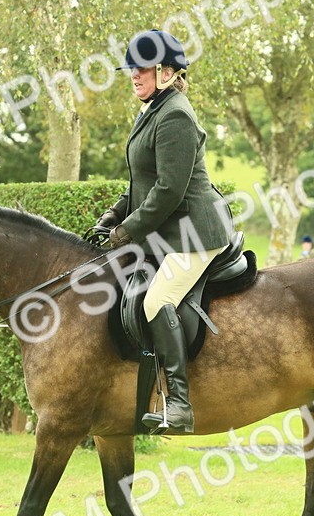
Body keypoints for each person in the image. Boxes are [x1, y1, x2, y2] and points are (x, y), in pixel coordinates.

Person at [94, 30, 234, 433]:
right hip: (171, 232)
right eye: (131, 70)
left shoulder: (175, 115)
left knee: (157, 299)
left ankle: (179, 405)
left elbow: (169, 189)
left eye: (143, 69)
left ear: (168, 73)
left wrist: (128, 231)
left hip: (194, 233)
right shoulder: (153, 110)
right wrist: (112, 215)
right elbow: (143, 181)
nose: (134, 76)